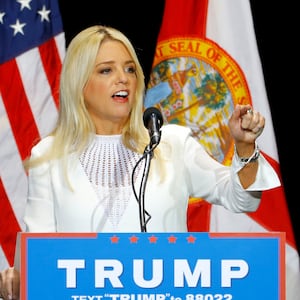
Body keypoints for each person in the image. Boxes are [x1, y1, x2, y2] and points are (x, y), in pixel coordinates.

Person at [0, 25, 280, 300]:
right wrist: (21, 281)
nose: (123, 78)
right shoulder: (50, 156)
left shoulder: (171, 143)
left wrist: (245, 148)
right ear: (80, 84)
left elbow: (242, 199)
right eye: (106, 70)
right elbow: (42, 251)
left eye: (130, 69)